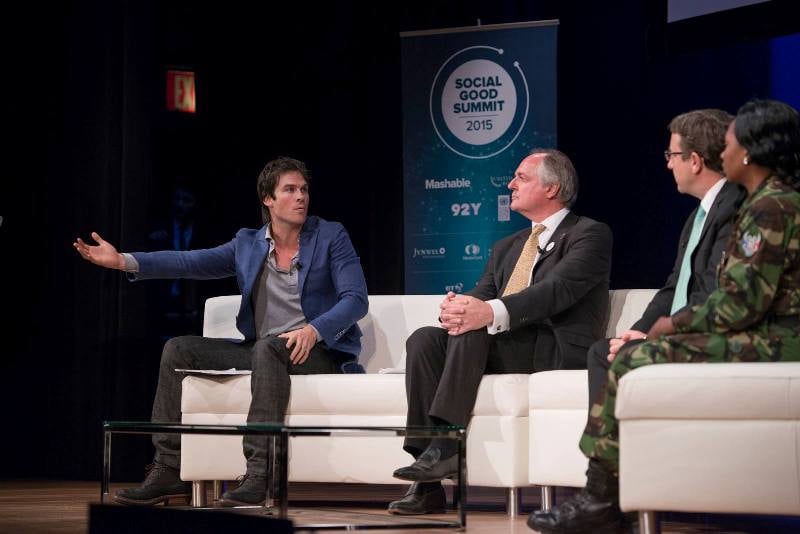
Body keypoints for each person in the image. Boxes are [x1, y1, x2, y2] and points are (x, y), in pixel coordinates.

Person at [528, 99, 800, 534]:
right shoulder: (764, 202)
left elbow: (742, 301)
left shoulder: (771, 207)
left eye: (729, 144)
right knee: (622, 351)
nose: (723, 152)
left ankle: (601, 497)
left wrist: (673, 326)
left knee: (631, 358)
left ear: (749, 151)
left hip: (778, 338)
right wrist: (654, 326)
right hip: (763, 331)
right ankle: (605, 495)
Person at [74, 157, 369, 506]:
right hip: (264, 349)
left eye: (304, 189)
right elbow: (190, 262)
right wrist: (124, 260)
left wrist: (313, 330)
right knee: (179, 349)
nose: (301, 196)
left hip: (316, 351)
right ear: (268, 199)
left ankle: (261, 474)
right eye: (290, 190)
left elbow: (356, 300)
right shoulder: (248, 243)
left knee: (268, 348)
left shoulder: (330, 235)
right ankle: (169, 468)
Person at [388, 149, 613, 515]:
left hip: (552, 348)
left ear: (552, 187)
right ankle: (427, 484)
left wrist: (486, 313)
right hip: (503, 346)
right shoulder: (507, 246)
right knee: (425, 339)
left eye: (521, 178)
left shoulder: (589, 234)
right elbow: (482, 295)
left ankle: (446, 446)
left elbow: (556, 291)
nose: (510, 185)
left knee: (474, 330)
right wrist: (457, 309)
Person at [586, 109, 746, 407]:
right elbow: (674, 286)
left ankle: (610, 440)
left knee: (605, 355)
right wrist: (640, 330)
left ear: (694, 161)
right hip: (682, 332)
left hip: (708, 336)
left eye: (672, 155)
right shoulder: (697, 216)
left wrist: (661, 334)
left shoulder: (735, 206)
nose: (669, 163)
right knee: (606, 349)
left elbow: (713, 289)